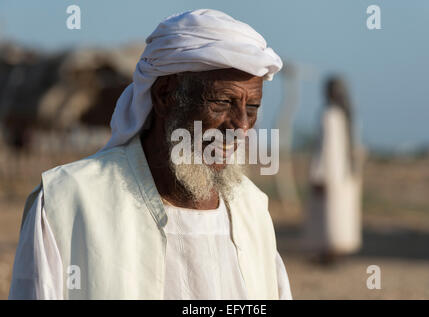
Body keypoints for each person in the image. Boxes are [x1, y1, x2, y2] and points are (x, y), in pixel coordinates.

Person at [9, 9, 292, 299]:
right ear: (165, 96)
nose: (242, 126)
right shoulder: (68, 202)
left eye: (253, 107)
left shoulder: (252, 210)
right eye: (223, 101)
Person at [302, 76, 364, 263]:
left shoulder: (329, 115)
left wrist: (318, 173)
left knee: (328, 214)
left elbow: (326, 148)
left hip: (330, 174)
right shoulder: (348, 115)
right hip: (345, 175)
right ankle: (335, 250)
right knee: (340, 213)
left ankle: (329, 251)